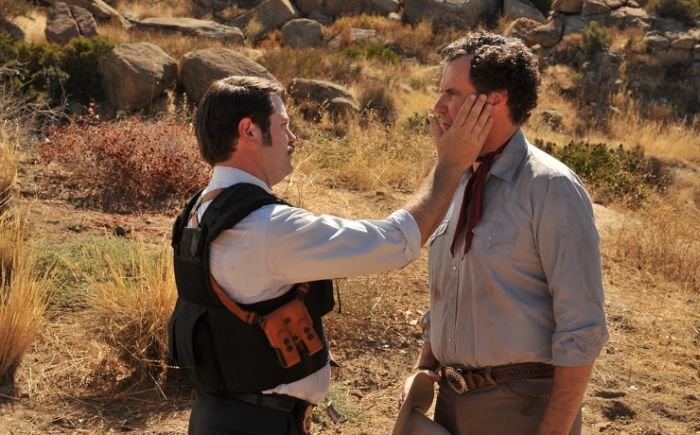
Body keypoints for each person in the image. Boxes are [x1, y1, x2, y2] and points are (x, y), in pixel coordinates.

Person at [168, 75, 493, 435]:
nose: (293, 138)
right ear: (249, 131)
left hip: (223, 417)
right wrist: (450, 164)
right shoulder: (267, 227)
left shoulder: (198, 212)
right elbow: (395, 243)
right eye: (283, 125)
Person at [400, 31, 609, 435]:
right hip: (451, 404)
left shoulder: (551, 187)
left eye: (451, 93)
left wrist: (554, 430)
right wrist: (423, 370)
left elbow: (582, 327)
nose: (438, 106)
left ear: (493, 101)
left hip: (523, 409)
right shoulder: (454, 179)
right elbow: (449, 291)